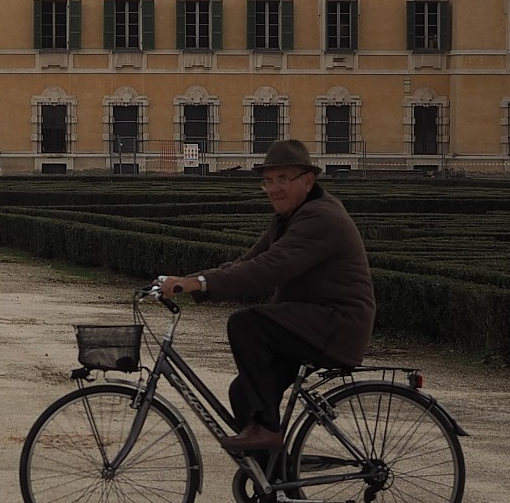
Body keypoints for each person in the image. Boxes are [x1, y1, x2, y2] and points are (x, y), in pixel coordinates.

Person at [154, 138, 375, 457]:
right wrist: (188, 282)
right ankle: (275, 489)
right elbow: (246, 263)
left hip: (336, 326)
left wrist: (198, 284)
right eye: (268, 181)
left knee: (247, 324)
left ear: (308, 181)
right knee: (244, 394)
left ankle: (268, 429)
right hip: (313, 322)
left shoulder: (320, 218)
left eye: (283, 179)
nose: (274, 189)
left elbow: (269, 268)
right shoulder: (287, 220)